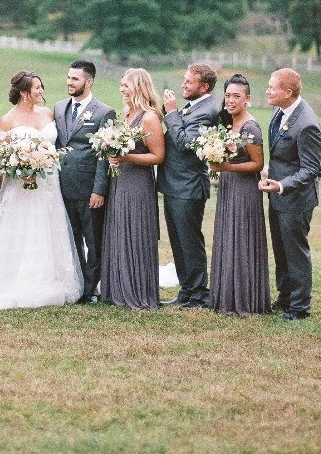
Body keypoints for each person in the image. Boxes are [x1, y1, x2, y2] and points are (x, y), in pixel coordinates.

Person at [0, 71, 83, 309]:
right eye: (37, 88)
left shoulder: (48, 113)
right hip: (20, 186)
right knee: (23, 228)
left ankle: (54, 278)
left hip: (49, 182)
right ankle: (21, 282)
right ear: (24, 93)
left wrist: (41, 162)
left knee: (50, 225)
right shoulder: (7, 120)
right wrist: (21, 169)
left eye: (41, 87)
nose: (42, 92)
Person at [258, 68, 321, 322]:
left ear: (287, 92)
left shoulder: (307, 124)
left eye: (272, 87)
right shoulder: (280, 112)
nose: (267, 91)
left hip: (295, 199)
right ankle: (285, 297)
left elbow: (310, 169)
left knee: (295, 252)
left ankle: (300, 307)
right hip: (277, 195)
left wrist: (282, 185)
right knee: (281, 250)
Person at [100, 68, 166, 310]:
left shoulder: (149, 118)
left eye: (126, 85)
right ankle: (118, 287)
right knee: (119, 230)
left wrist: (127, 158)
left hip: (138, 183)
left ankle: (138, 290)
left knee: (135, 231)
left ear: (138, 87)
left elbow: (158, 156)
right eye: (121, 84)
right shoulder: (126, 114)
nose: (121, 89)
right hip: (119, 180)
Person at [53, 59, 117, 303]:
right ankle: (77, 285)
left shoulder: (104, 112)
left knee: (93, 241)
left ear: (88, 82)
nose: (70, 82)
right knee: (71, 239)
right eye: (69, 78)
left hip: (89, 188)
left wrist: (99, 189)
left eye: (75, 79)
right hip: (62, 186)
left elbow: (104, 155)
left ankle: (91, 289)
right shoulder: (59, 108)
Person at [156, 62, 219, 309]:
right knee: (178, 241)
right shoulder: (193, 106)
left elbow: (185, 144)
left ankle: (199, 294)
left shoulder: (207, 111)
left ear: (203, 87)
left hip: (188, 186)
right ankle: (187, 289)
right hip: (174, 185)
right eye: (184, 79)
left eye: (189, 82)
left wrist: (171, 113)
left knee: (190, 242)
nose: (183, 84)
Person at [208, 74, 270, 317]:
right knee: (228, 237)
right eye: (227, 95)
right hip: (228, 187)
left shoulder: (250, 127)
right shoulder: (229, 123)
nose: (231, 100)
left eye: (236, 96)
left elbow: (257, 164)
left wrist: (227, 167)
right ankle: (227, 296)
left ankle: (245, 298)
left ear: (247, 99)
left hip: (245, 191)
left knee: (242, 240)